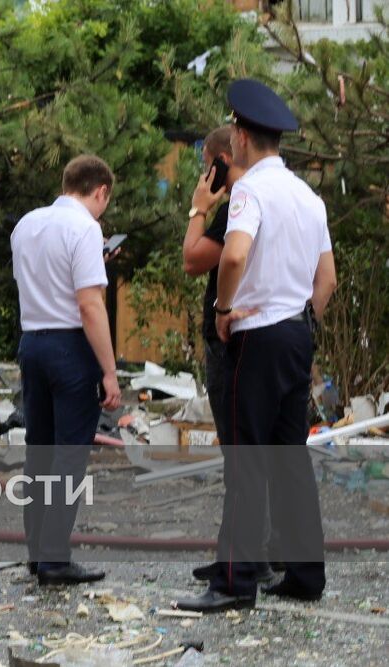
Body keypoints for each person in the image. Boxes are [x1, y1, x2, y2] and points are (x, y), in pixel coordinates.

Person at [177, 79, 337, 613]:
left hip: (258, 333)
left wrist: (224, 310)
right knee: (290, 456)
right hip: (296, 334)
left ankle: (235, 582)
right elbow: (328, 280)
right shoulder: (308, 196)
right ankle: (305, 573)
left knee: (246, 459)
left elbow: (233, 257)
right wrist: (300, 319)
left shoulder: (250, 192)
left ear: (240, 139)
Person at [10, 155, 122, 586]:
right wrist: (109, 372)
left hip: (33, 340)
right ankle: (57, 558)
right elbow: (89, 304)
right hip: (70, 346)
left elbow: (42, 278)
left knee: (38, 451)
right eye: (103, 203)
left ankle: (38, 552)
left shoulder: (27, 224)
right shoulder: (85, 229)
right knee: (69, 455)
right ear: (100, 191)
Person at [182, 127, 277, 586]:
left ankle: (245, 561)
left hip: (232, 337)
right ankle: (239, 554)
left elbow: (194, 258)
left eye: (207, 163)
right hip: (272, 335)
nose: (204, 171)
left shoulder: (240, 200)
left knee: (241, 455)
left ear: (223, 158)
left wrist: (200, 207)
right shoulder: (281, 195)